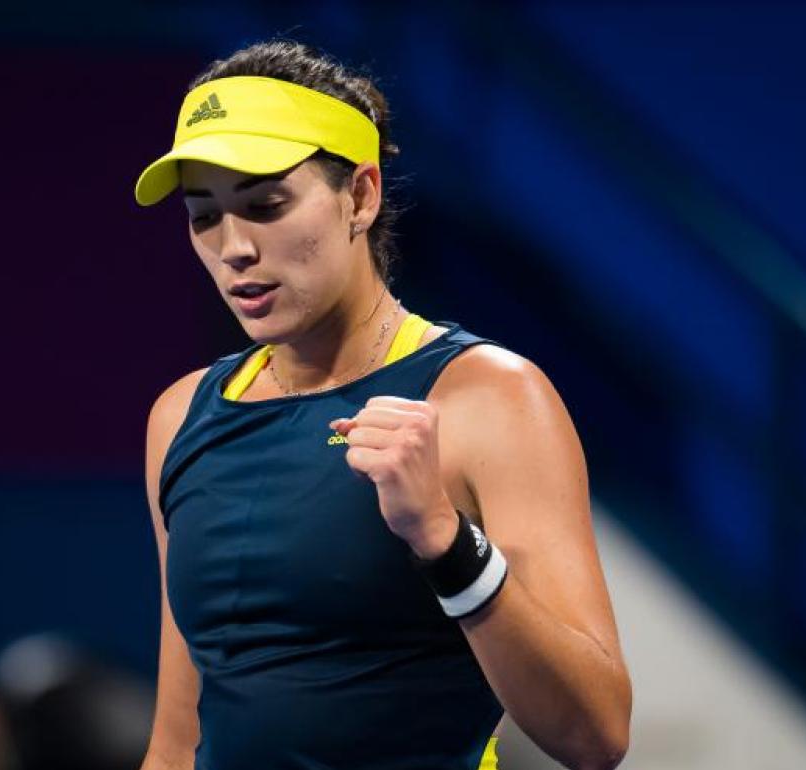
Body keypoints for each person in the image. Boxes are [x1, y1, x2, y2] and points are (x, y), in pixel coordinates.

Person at [136, 40, 631, 770]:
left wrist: (441, 535)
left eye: (265, 204)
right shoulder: (180, 417)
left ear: (361, 197)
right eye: (204, 216)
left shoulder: (492, 397)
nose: (233, 247)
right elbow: (178, 744)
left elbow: (595, 733)